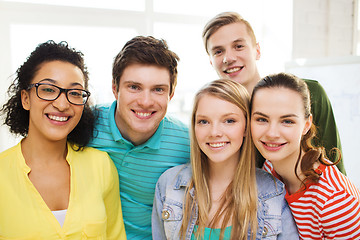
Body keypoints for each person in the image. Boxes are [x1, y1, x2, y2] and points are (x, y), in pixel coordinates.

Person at [0, 41, 126, 239]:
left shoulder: (101, 166)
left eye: (74, 93)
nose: (62, 104)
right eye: (49, 89)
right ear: (25, 98)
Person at [152, 79, 299, 240]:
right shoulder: (169, 185)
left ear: (246, 127)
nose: (214, 132)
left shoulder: (272, 192)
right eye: (204, 121)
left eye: (229, 121)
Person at [202, 11, 345, 174]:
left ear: (257, 51)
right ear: (211, 61)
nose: (228, 58)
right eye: (218, 51)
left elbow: (336, 171)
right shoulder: (219, 119)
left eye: (239, 46)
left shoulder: (311, 93)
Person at [88, 36, 190, 239]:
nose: (145, 101)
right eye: (134, 87)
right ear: (115, 89)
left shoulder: (187, 143)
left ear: (170, 94)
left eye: (158, 89)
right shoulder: (85, 126)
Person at [250, 72, 360, 239]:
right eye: (261, 119)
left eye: (287, 121)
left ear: (306, 125)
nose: (271, 133)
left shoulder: (335, 201)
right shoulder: (269, 167)